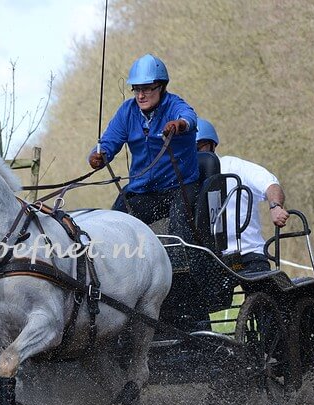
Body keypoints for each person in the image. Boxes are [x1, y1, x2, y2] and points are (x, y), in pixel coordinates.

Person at [88, 53, 200, 242]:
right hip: (143, 190)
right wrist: (97, 155)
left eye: (147, 89)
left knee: (180, 231)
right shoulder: (127, 111)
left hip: (180, 187)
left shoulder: (174, 105)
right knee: (112, 227)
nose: (140, 95)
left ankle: (185, 258)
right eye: (137, 89)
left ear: (161, 86)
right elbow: (109, 141)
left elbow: (189, 117)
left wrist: (180, 124)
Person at [196, 118, 290, 272]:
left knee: (260, 285)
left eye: (199, 147)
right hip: (206, 262)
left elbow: (270, 184)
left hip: (246, 255)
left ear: (212, 145)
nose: (195, 154)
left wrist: (275, 206)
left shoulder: (235, 167)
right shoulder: (181, 180)